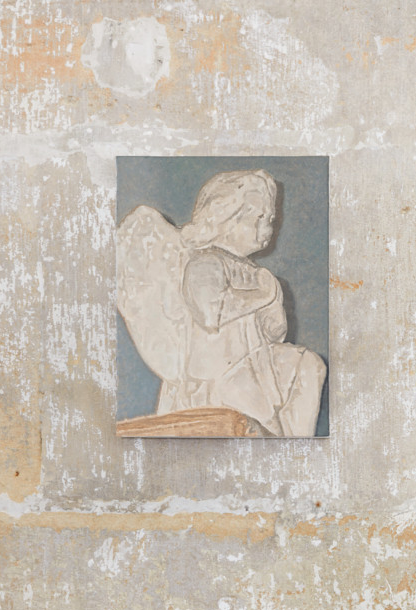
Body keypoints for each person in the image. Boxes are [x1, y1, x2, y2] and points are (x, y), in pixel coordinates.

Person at [116, 169, 326, 437]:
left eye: (270, 220)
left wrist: (274, 304)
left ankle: (297, 447)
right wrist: (262, 296)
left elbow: (275, 333)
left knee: (310, 365)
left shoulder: (257, 274)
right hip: (218, 375)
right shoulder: (205, 262)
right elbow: (209, 314)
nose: (266, 229)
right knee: (249, 407)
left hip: (256, 366)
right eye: (257, 218)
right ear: (225, 217)